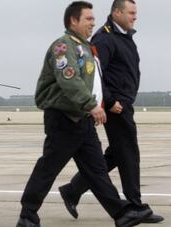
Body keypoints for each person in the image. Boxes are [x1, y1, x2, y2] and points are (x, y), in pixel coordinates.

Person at [16, 2, 152, 227]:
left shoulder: (86, 48)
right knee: (48, 167)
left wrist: (97, 104)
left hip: (83, 119)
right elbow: (69, 80)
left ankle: (122, 214)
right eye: (88, 19)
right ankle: (27, 215)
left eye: (93, 19)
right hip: (63, 118)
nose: (93, 23)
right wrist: (93, 105)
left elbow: (94, 81)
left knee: (97, 171)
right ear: (73, 21)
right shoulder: (62, 47)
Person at [58, 0, 164, 223]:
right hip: (116, 107)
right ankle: (135, 205)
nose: (135, 17)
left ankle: (72, 190)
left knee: (116, 154)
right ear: (117, 12)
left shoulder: (123, 36)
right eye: (131, 12)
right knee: (128, 154)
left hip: (123, 103)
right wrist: (111, 100)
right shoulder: (105, 38)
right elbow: (93, 73)